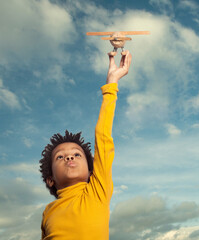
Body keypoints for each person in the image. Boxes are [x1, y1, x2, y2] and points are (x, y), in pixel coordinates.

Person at [38, 50, 131, 239]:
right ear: (50, 179)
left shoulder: (97, 191)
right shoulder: (48, 211)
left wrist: (111, 84)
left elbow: (103, 138)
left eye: (76, 154)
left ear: (92, 171)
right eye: (60, 157)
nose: (69, 157)